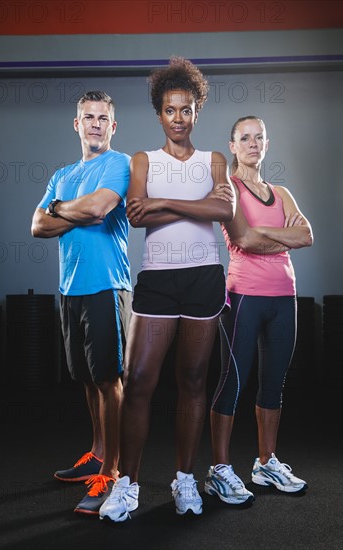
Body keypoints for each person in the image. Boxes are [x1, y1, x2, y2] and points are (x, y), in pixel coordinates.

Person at [99, 56, 236, 522]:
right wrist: (195, 204)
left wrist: (163, 202)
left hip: (203, 276)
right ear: (159, 113)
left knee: (193, 381)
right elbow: (137, 215)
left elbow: (224, 212)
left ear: (197, 111)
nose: (179, 118)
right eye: (170, 110)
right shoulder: (143, 160)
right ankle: (128, 485)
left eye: (187, 109)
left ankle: (184, 479)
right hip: (157, 277)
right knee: (138, 382)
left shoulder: (214, 159)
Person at [31, 91, 132, 515]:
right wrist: (64, 209)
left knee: (109, 379)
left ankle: (111, 473)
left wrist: (59, 209)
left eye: (102, 118)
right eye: (87, 117)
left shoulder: (120, 164)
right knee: (88, 379)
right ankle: (96, 452)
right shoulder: (62, 173)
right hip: (70, 288)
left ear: (113, 125)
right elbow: (38, 225)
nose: (94, 124)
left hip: (107, 285)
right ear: (77, 124)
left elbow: (100, 209)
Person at [205, 116, 313, 505]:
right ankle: (219, 469)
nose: (253, 143)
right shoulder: (227, 190)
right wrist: (279, 237)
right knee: (231, 382)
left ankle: (266, 463)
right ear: (232, 146)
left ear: (267, 144)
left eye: (260, 137)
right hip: (244, 297)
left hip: (284, 297)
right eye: (245, 138)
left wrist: (264, 234)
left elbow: (307, 234)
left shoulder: (281, 192)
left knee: (273, 384)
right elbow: (244, 238)